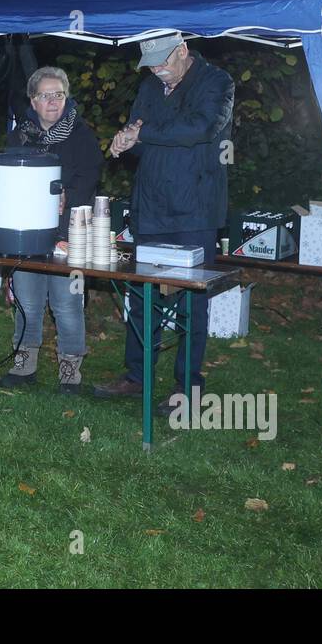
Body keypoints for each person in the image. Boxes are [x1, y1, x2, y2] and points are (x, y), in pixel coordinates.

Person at [94, 33, 234, 411]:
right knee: (142, 296)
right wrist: (125, 141)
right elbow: (140, 130)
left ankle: (187, 386)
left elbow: (201, 128)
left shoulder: (216, 82)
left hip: (196, 209)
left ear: (183, 51)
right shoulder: (151, 85)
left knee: (191, 300)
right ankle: (137, 376)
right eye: (151, 66)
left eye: (162, 64)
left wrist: (144, 133)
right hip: (151, 206)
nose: (157, 72)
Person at [0, 66, 102, 394]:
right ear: (33, 100)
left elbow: (90, 177)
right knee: (28, 299)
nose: (54, 101)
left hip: (68, 230)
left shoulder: (82, 135)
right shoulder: (19, 136)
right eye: (46, 95)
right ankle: (24, 363)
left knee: (66, 301)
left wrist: (65, 194)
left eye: (59, 94)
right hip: (26, 231)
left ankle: (70, 370)